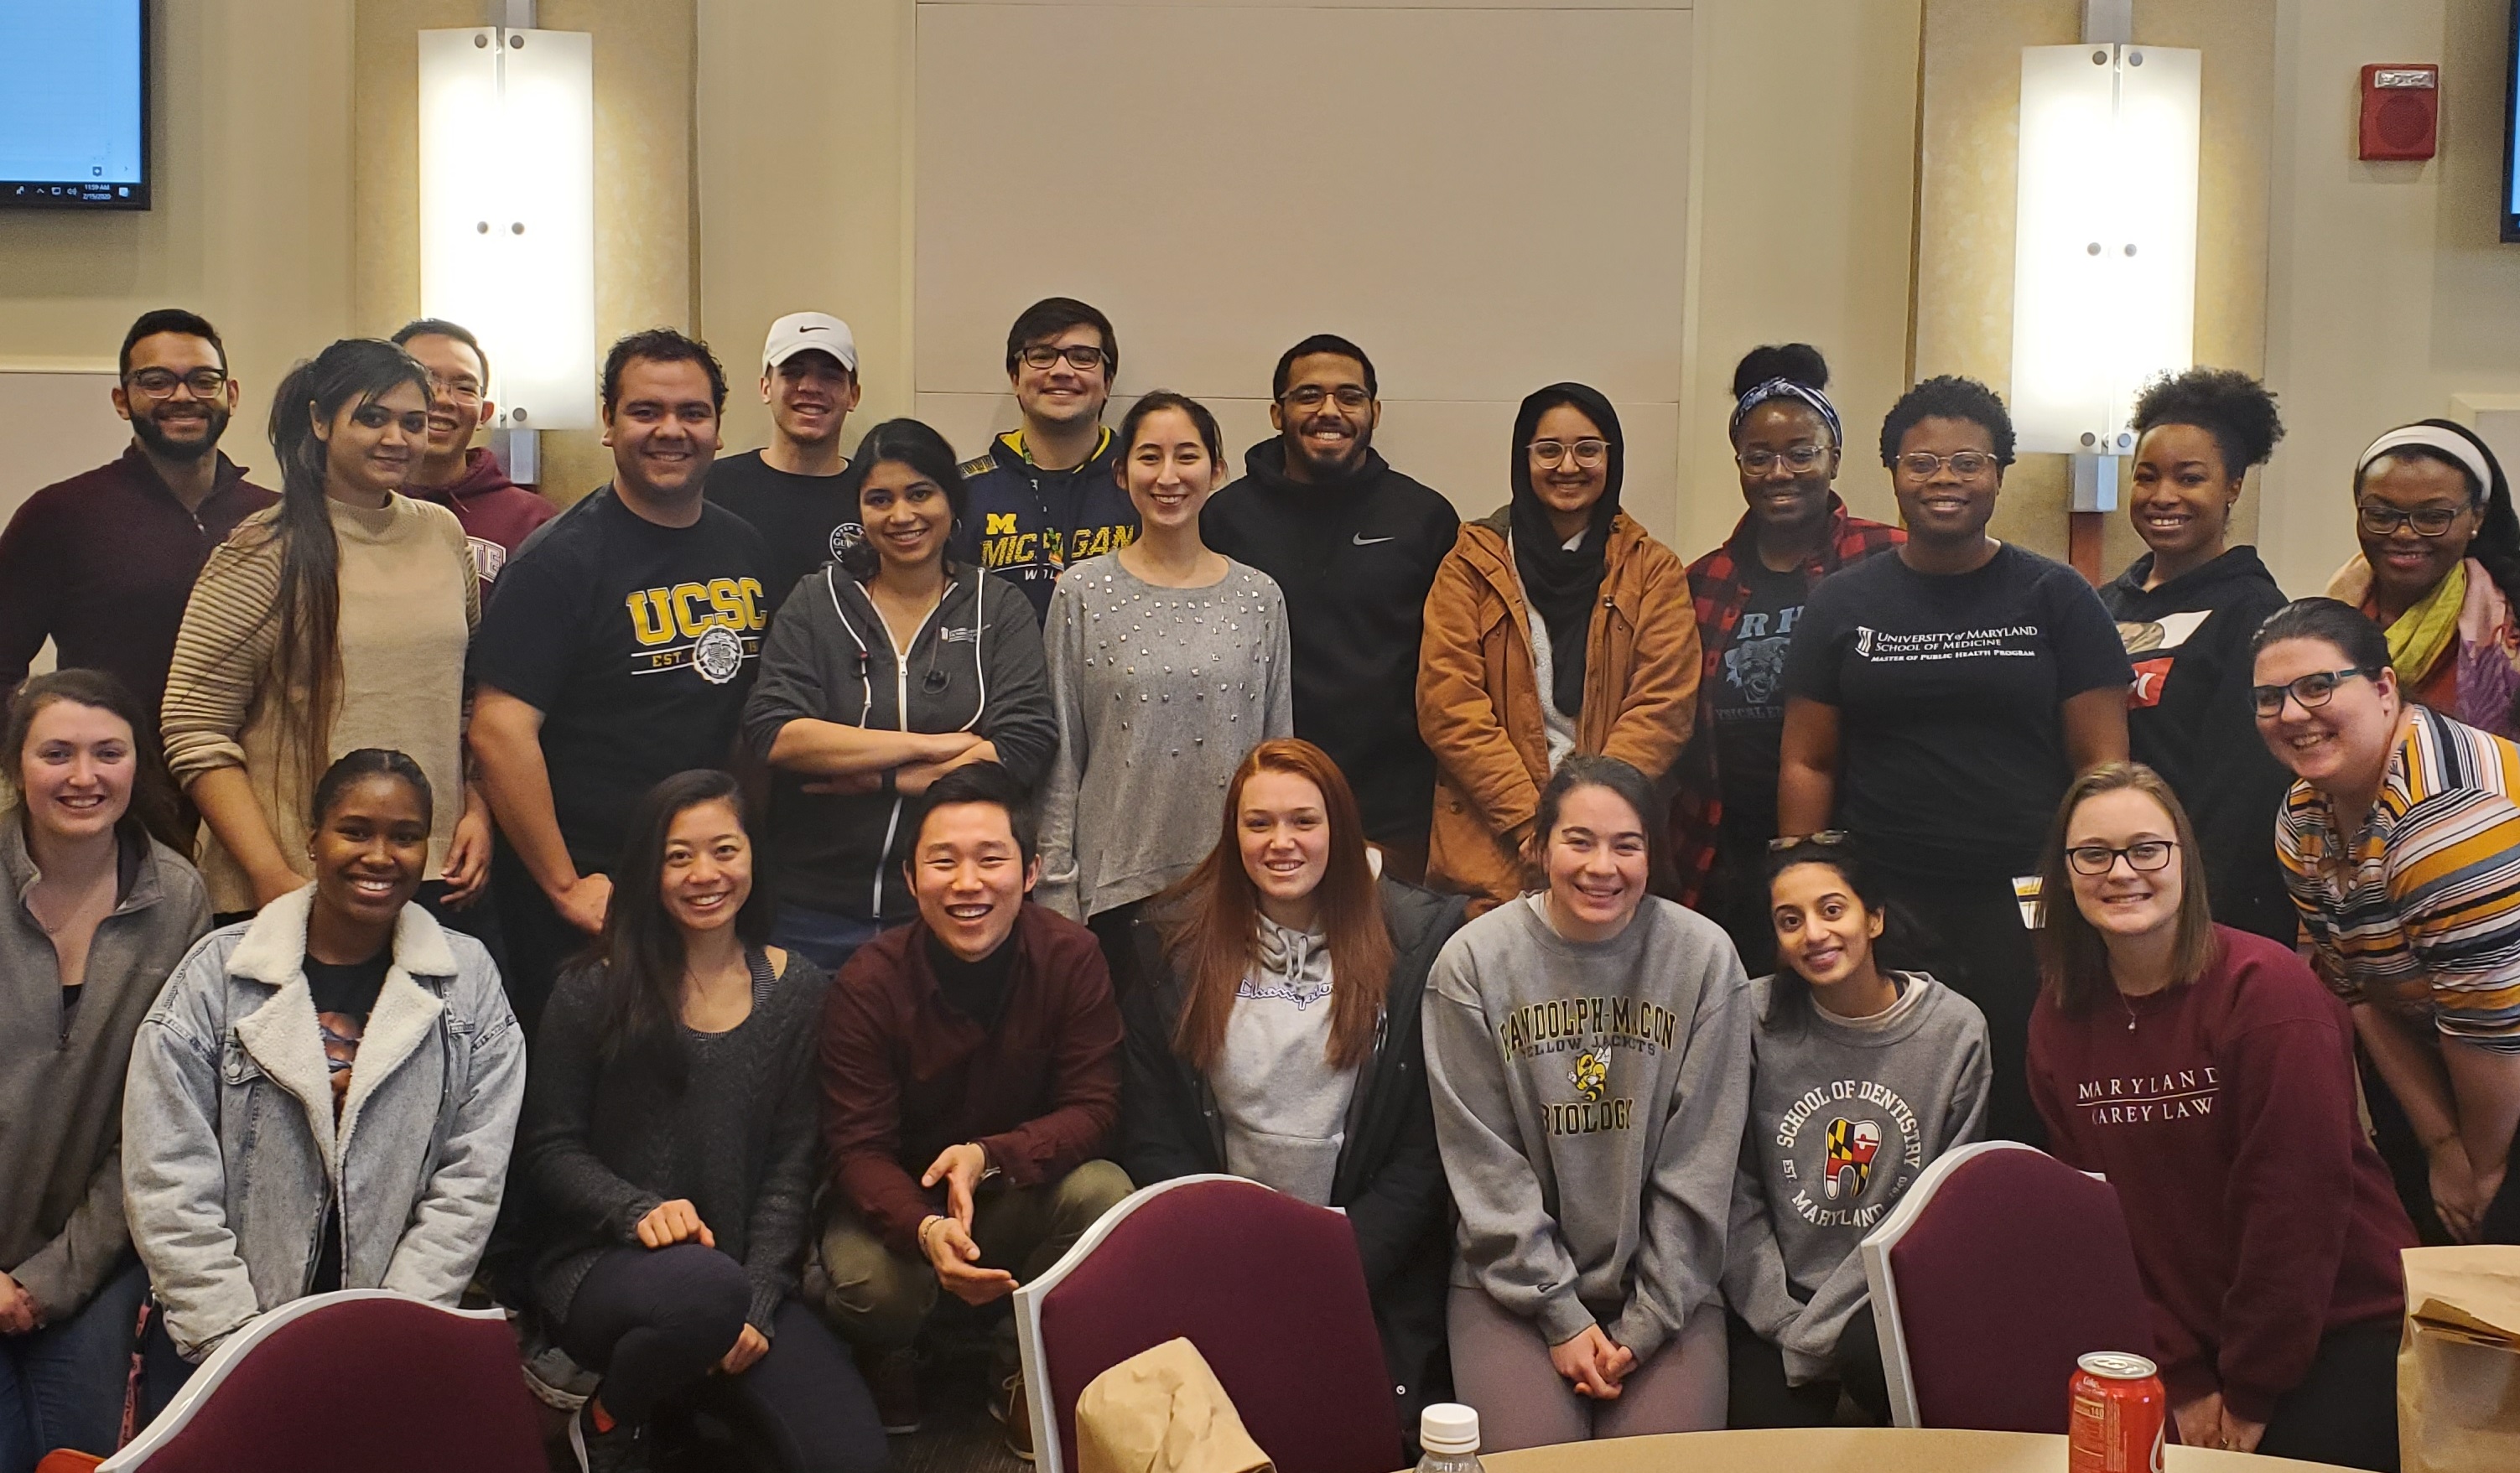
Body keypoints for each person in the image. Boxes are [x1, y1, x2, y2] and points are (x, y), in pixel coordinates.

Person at [2029, 762, 2414, 1470]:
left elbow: (2293, 1206)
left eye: (2147, 848)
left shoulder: (2266, 992)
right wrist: (2178, 1373)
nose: (2121, 872)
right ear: (2064, 871)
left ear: (2185, 859)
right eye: (2092, 853)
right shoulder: (2057, 1019)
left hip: (2339, 1328)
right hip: (2186, 1353)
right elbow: (2101, 1223)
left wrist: (2248, 1389)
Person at [1778, 375, 2131, 1144]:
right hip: (1888, 895)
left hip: (2030, 895)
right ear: (1893, 476)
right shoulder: (1841, 604)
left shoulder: (2056, 596)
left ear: (2000, 472)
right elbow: (1808, 761)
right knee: (1898, 1090)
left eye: (1967, 462)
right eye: (1921, 464)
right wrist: (1803, 875)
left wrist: (2100, 879)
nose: (1944, 480)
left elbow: (2101, 765)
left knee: (2027, 1078)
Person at [517, 770, 885, 1473]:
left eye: (724, 849)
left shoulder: (798, 990)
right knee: (700, 1293)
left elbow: (790, 1164)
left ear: (753, 857)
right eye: (677, 855)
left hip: (739, 1281)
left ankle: (686, 1403)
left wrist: (763, 1296)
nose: (704, 874)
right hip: (603, 1268)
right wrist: (635, 1210)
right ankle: (601, 1422)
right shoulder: (593, 984)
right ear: (648, 870)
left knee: (853, 1458)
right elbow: (549, 1148)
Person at [124, 750, 525, 1388]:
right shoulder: (217, 974)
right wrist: (233, 1342)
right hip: (221, 1345)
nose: (380, 855)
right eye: (356, 830)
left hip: (387, 1342)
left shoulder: (468, 981)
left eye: (405, 835)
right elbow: (165, 1170)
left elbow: (471, 1175)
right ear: (312, 840)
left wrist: (395, 1324)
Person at [1121, 738, 1467, 1450]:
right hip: (1217, 1262)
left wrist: (1329, 1270)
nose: (1281, 842)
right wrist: (1230, 1265)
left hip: (1365, 1268)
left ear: (1338, 828)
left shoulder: (1417, 941)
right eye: (1258, 823)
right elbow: (1155, 1134)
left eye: (1303, 821)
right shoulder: (1171, 945)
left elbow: (1422, 1153)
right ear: (1233, 834)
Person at [1423, 755, 1751, 1450]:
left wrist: (1648, 1321)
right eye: (1579, 840)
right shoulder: (1471, 963)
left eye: (1625, 845)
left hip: (1668, 1289)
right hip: (1508, 1289)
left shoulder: (1704, 958)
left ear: (1651, 856)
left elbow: (1701, 1158)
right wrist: (1560, 1315)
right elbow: (1484, 1163)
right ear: (1539, 846)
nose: (1602, 866)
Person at [814, 762, 1130, 1456]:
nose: (966, 883)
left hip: (1012, 1188)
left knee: (1106, 1193)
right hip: (898, 1207)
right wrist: (926, 1229)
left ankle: (1017, 1362)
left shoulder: (1073, 957)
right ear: (909, 877)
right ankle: (892, 1351)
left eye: (991, 859)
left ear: (1029, 871)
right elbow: (855, 1151)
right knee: (870, 1288)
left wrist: (989, 1155)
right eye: (942, 861)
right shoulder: (867, 983)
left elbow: (1095, 1106)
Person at [469, 329, 770, 1036]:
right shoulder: (559, 560)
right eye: (646, 411)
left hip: (705, 881)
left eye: (692, 413)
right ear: (609, 423)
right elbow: (499, 729)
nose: (671, 430)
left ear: (719, 430)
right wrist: (566, 885)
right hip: (592, 892)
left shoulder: (744, 548)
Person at [160, 339, 490, 935]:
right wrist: (269, 873)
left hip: (431, 875)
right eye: (372, 417)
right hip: (293, 884)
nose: (396, 438)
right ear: (319, 421)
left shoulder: (443, 534)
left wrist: (477, 808)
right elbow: (194, 727)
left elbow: (469, 699)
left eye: (412, 422)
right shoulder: (261, 550)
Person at [744, 418, 1056, 969]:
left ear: (950, 500)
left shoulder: (997, 605)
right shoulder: (817, 601)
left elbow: (1023, 744)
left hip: (950, 907)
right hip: (813, 908)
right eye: (879, 499)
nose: (901, 515)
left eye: (920, 493)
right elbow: (775, 731)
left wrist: (882, 777)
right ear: (859, 511)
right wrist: (934, 747)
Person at [2258, 597, 2520, 1247]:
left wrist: (2477, 1167)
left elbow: (2489, 1034)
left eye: (2318, 685)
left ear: (2382, 687)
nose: (2292, 713)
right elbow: (2364, 998)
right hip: (2448, 1057)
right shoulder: (2301, 816)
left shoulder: (2446, 815)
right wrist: (2440, 1145)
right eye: (2269, 697)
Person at [0, 672, 209, 1471]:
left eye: (107, 753)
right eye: (57, 753)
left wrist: (48, 1281)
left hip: (88, 1262)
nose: (84, 776)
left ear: (136, 764)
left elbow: (159, 1122)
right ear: (18, 766)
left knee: (78, 1459)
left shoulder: (178, 899)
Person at [1723, 835, 1987, 1430]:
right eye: (1789, 921)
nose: (1813, 933)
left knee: (1877, 1370)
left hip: (1892, 1298)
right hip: (1776, 1303)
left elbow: (1941, 1210)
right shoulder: (1749, 1018)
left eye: (1831, 909)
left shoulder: (1955, 1030)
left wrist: (1820, 1333)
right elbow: (1731, 1190)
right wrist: (1780, 1320)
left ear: (1873, 917)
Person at [1037, 391, 1293, 988]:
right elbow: (1060, 759)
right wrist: (1056, 897)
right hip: (1111, 897)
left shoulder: (1259, 597)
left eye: (1187, 456)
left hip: (1235, 890)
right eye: (1149, 457)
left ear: (1217, 471)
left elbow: (1280, 752)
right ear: (1122, 475)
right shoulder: (1081, 593)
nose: (1169, 476)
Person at [1418, 382, 1699, 915]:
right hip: (1493, 846)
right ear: (1523, 457)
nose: (1568, 466)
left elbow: (1663, 706)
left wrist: (1588, 827)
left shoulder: (1651, 569)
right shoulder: (1470, 563)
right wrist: (1534, 825)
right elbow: (1448, 704)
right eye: (1548, 449)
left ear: (1611, 459)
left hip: (1608, 854)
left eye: (1588, 449)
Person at [1672, 345, 1902, 973]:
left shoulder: (1889, 560)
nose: (1779, 472)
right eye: (1758, 456)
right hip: (1728, 857)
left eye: (1800, 452)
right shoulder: (1699, 582)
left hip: (1861, 850)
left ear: (1833, 456)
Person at [1201, 336, 1460, 881]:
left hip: (1394, 812)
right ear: (1277, 413)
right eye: (1308, 396)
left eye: (1349, 396)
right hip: (1264, 807)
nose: (1329, 411)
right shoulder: (1223, 519)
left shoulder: (1424, 517)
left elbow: (1450, 667)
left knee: (1387, 960)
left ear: (1374, 412)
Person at [2098, 368, 2294, 943]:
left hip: (2210, 908)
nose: (2163, 497)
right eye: (2146, 476)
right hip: (2112, 888)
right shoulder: (2099, 605)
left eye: (2189, 478)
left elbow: (2241, 793)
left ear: (2232, 485)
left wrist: (2190, 917)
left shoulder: (2256, 613)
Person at [0, 309, 276, 717]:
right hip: (108, 776)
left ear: (230, 395)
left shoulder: (274, 518)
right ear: (122, 400)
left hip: (247, 775)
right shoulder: (59, 515)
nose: (183, 396)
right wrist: (38, 758)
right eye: (157, 382)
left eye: (203, 381)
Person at [2325, 418, 2520, 740]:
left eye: (2432, 517)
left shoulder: (2508, 627)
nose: (2404, 533)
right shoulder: (2326, 615)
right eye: (2381, 515)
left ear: (2477, 518)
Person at [948, 298, 1135, 624]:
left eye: (1082, 357)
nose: (1062, 371)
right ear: (1015, 378)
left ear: (1107, 383)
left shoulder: (1144, 485)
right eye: (1042, 356)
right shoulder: (962, 491)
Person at [705, 312, 867, 612]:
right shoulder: (712, 488)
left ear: (853, 395)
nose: (810, 387)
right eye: (792, 372)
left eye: (830, 375)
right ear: (766, 387)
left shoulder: (876, 496)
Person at [390, 317, 556, 585]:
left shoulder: (535, 523)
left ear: (484, 413)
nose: (442, 399)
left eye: (465, 387)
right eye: (424, 380)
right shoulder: (353, 508)